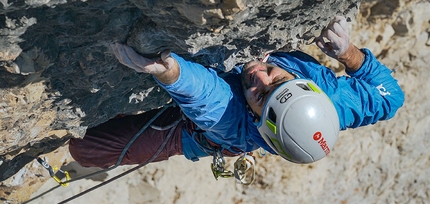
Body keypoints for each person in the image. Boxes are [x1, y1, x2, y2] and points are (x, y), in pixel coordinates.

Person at [69, 16, 404, 169]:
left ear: (256, 119)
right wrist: (349, 53)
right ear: (308, 85)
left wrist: (169, 71)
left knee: (85, 150)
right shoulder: (335, 100)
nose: (258, 75)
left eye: (260, 95)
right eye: (276, 77)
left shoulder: (238, 125)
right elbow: (390, 97)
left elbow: (208, 97)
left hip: (199, 133)